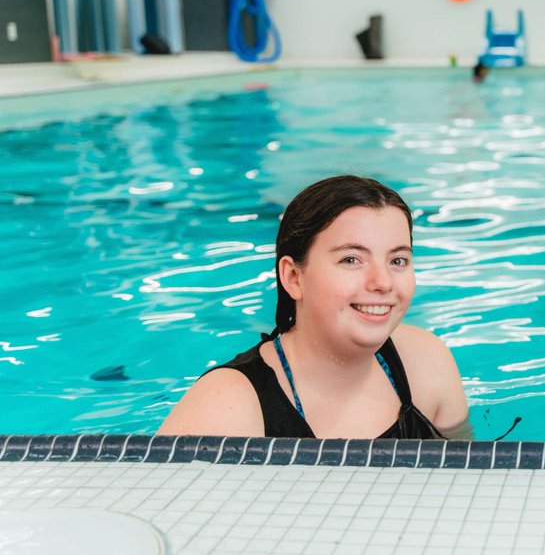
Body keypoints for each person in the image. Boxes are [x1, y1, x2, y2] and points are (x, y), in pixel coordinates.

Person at [159, 175, 470, 439]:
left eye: (397, 260)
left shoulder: (426, 363)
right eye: (351, 259)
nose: (383, 282)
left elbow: (474, 482)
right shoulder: (228, 406)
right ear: (294, 277)